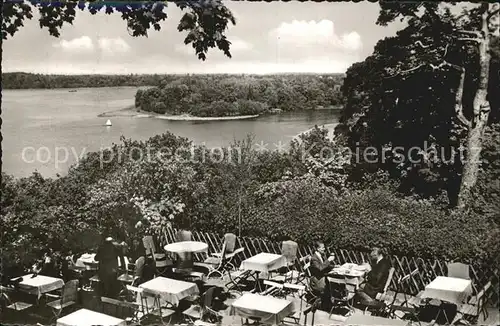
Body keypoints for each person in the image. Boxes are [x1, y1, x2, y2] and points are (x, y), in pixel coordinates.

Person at [309, 242, 336, 310]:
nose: (324, 249)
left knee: (335, 282)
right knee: (331, 284)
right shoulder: (314, 258)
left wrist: (334, 266)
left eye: (324, 247)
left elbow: (325, 265)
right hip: (316, 280)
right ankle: (324, 305)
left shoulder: (322, 255)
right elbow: (320, 268)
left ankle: (330, 303)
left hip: (322, 277)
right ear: (318, 249)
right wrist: (328, 260)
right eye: (322, 248)